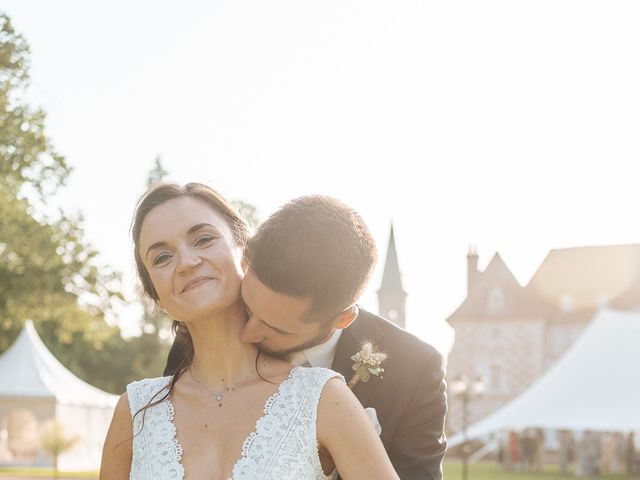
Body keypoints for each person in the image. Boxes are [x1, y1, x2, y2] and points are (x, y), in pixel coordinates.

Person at [100, 183, 399, 480]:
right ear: (155, 293)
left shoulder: (323, 398)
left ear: (244, 250)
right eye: (162, 257)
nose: (187, 263)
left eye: (203, 239)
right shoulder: (135, 411)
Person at [164, 192, 448, 479]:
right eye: (248, 309)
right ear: (247, 263)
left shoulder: (416, 371)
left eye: (274, 328)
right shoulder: (202, 337)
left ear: (342, 319)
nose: (247, 333)